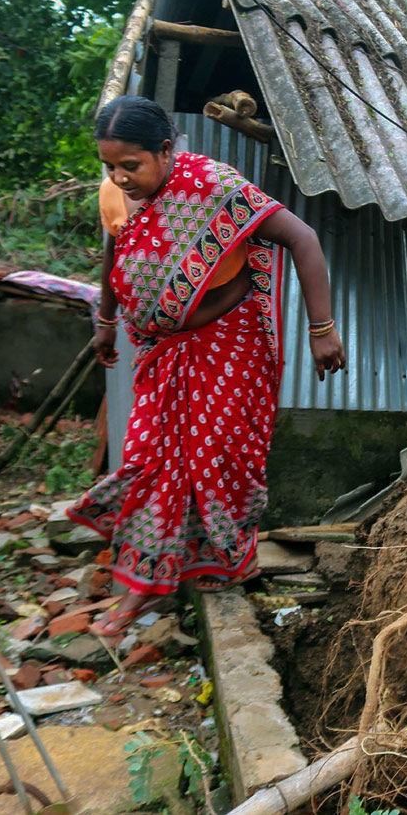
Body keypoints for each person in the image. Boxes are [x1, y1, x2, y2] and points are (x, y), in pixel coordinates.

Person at [69, 96, 346, 636]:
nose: (121, 178)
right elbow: (114, 250)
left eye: (132, 165)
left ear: (167, 151)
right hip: (162, 350)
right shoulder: (117, 196)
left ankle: (219, 568)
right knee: (152, 458)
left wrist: (323, 329)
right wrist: (105, 320)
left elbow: (302, 238)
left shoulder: (213, 188)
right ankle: (142, 588)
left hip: (229, 345)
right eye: (111, 167)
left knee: (220, 457)